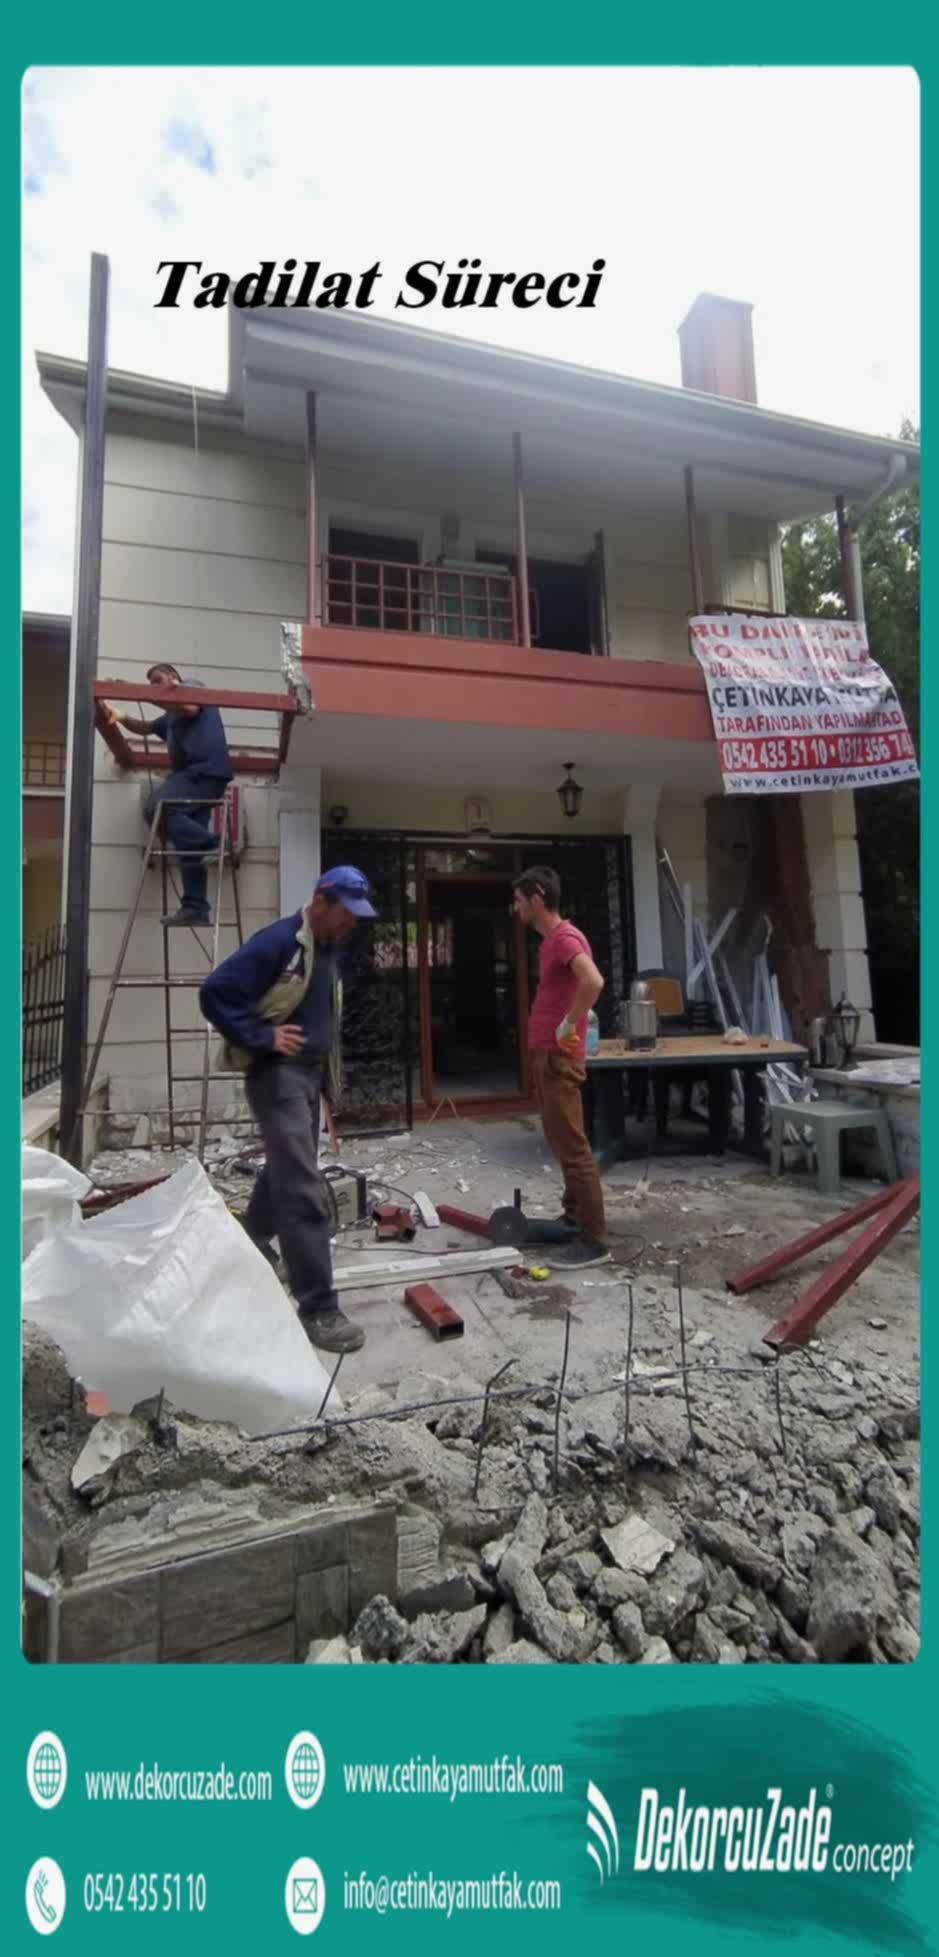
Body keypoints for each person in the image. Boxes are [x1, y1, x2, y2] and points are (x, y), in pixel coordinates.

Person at [199, 866, 378, 1354]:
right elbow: (214, 992)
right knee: (301, 1184)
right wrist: (261, 1036)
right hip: (278, 1075)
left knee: (288, 1166)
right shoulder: (280, 941)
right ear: (321, 900)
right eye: (346, 913)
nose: (351, 923)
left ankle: (251, 1236)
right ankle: (318, 1307)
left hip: (308, 1075)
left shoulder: (328, 946)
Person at [512, 865, 610, 1270]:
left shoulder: (565, 938)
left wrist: (570, 1022)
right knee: (562, 1140)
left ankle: (594, 1240)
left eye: (519, 900)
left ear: (537, 899)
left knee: (573, 1148)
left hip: (558, 1058)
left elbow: (594, 981)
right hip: (548, 1056)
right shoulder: (551, 941)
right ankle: (573, 1218)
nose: (515, 907)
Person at [102, 663, 233, 927]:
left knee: (156, 807)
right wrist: (120, 715)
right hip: (198, 777)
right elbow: (145, 727)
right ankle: (195, 908)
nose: (154, 686)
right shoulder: (170, 718)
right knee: (187, 846)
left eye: (157, 680)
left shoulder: (192, 688)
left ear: (174, 677)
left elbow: (189, 707)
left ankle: (212, 843)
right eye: (150, 684)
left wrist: (139, 692)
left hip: (204, 772)